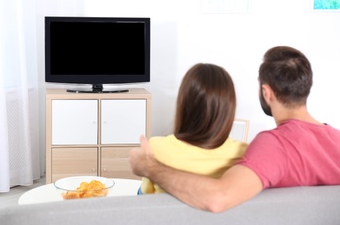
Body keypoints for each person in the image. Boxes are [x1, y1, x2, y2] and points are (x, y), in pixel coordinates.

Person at [129, 46, 340, 212]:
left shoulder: (272, 146)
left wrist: (149, 166)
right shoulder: (336, 139)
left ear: (266, 92)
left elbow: (218, 198)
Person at [139, 63, 247, 194]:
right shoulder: (244, 153)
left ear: (184, 104)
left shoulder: (155, 147)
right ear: (228, 107)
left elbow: (146, 195)